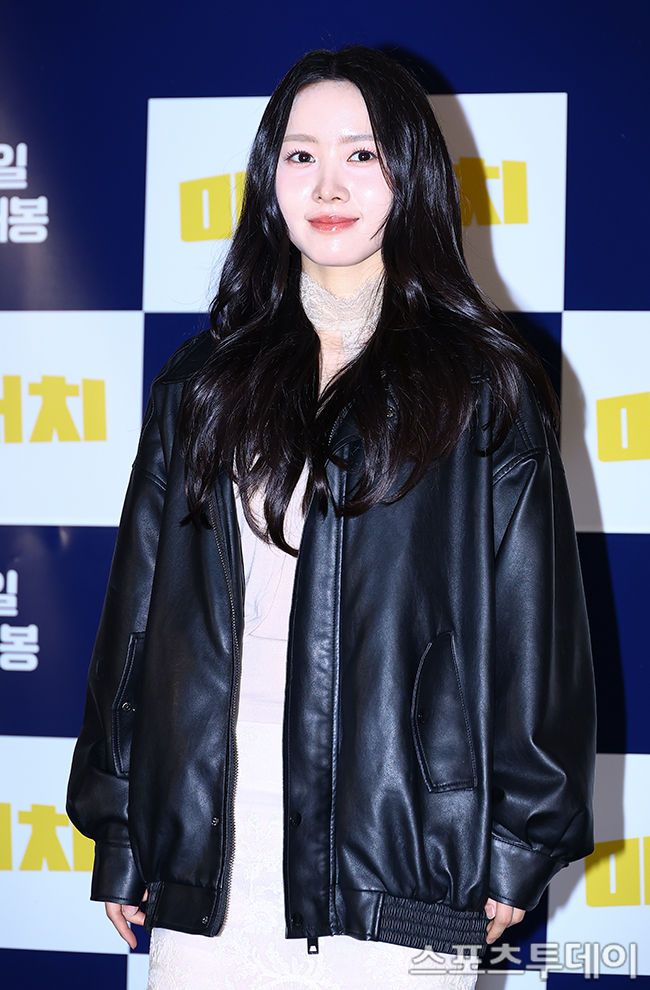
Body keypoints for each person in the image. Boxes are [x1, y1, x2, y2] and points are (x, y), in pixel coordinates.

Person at [67, 46, 596, 989]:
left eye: (362, 154)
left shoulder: (484, 385)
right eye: (301, 155)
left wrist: (521, 840)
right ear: (269, 176)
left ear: (410, 171)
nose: (328, 185)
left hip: (398, 841)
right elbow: (136, 621)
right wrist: (120, 827)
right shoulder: (203, 380)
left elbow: (536, 633)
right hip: (213, 842)